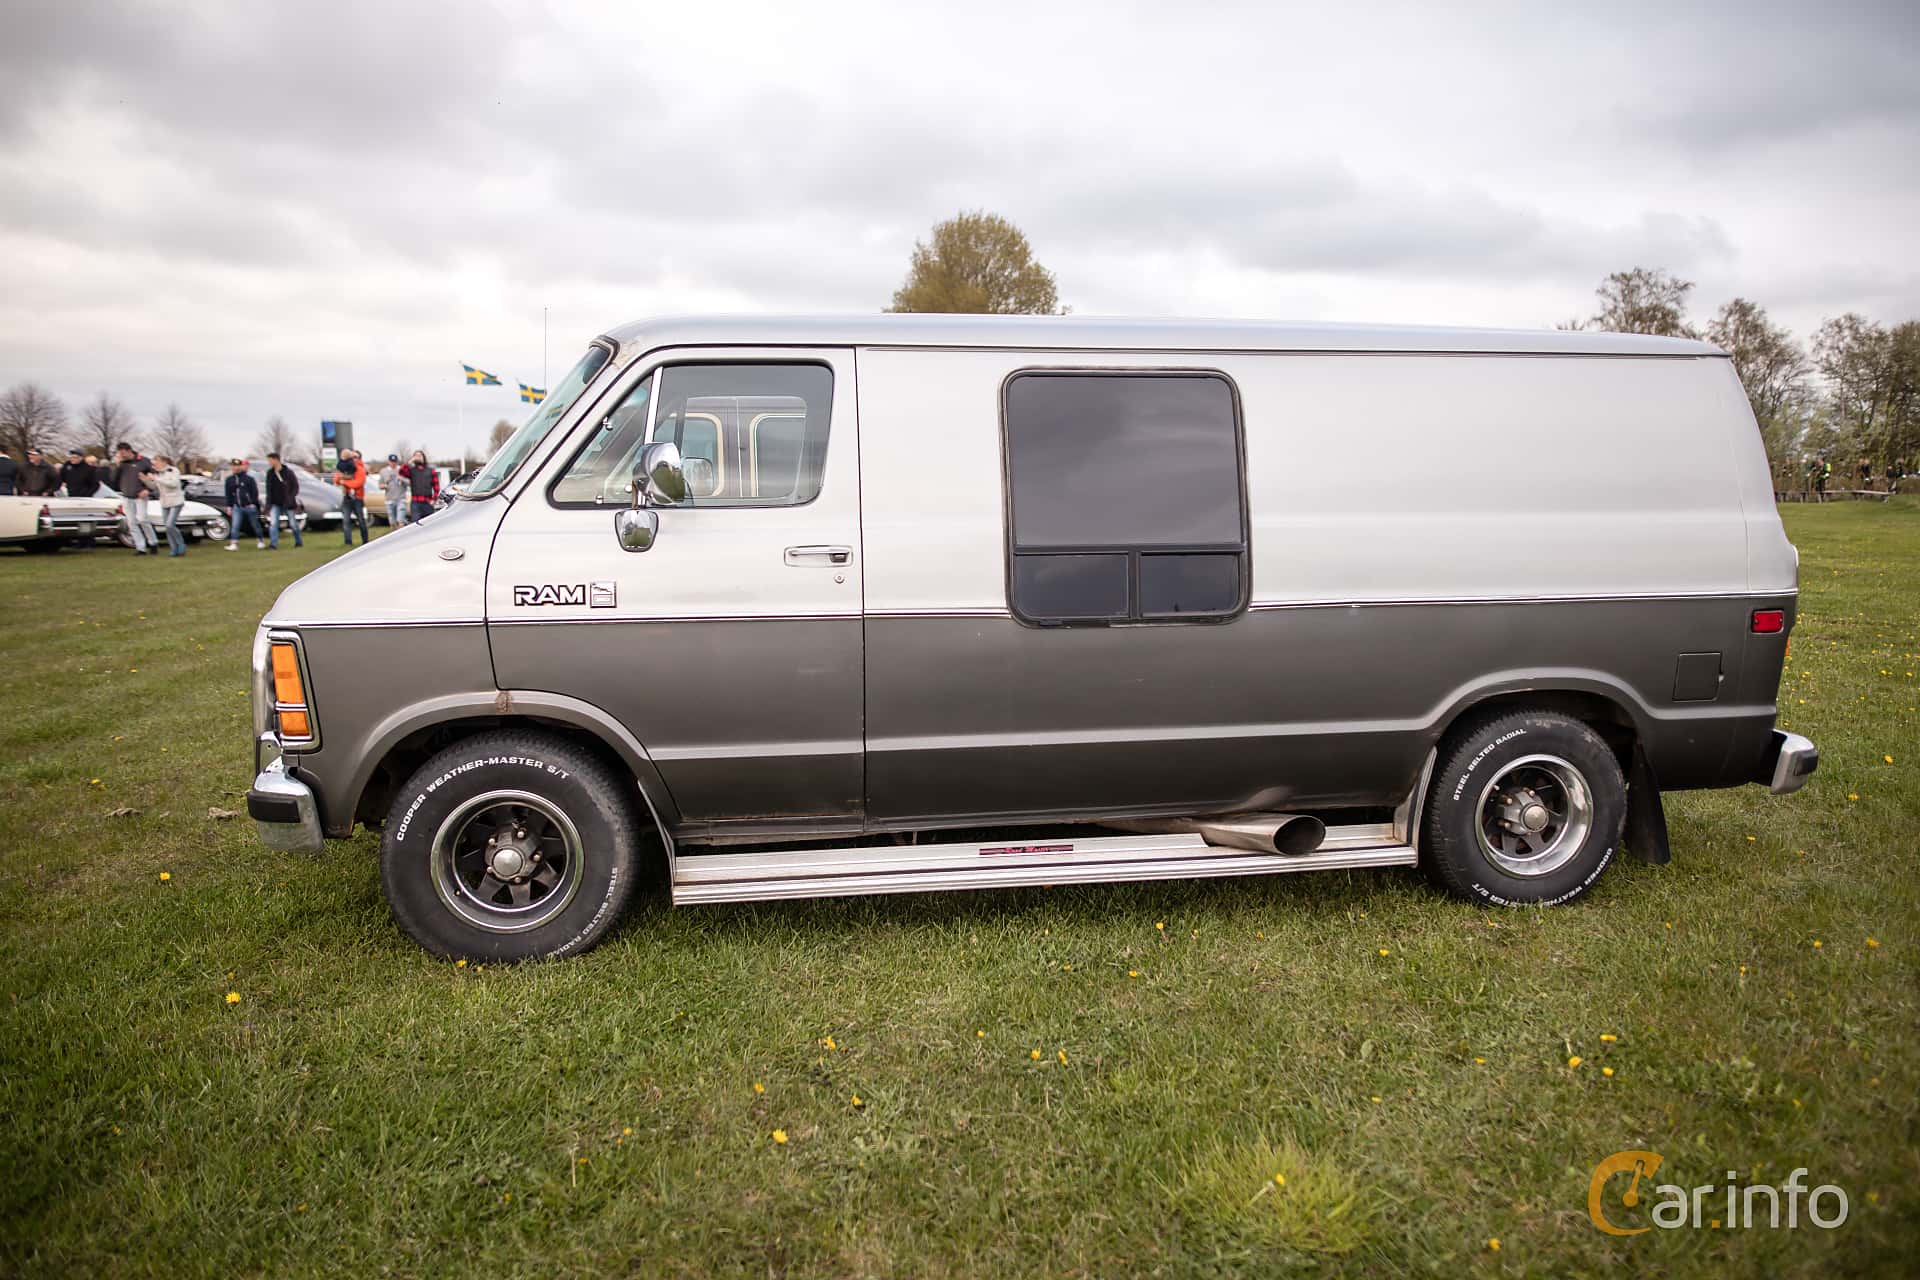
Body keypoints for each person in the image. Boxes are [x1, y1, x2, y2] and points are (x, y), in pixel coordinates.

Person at [110, 442, 157, 554]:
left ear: (129, 450)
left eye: (123, 453)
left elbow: (153, 478)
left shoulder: (143, 460)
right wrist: (116, 466)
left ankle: (153, 542)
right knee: (131, 522)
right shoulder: (121, 464)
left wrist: (148, 490)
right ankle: (140, 547)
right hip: (127, 496)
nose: (122, 456)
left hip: (140, 495)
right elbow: (113, 480)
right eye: (120, 454)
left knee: (143, 519)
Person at [148, 455, 189, 557]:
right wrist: (146, 480)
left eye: (156, 462)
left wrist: (157, 479)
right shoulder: (157, 474)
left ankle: (181, 544)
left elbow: (173, 484)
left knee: (170, 524)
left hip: (176, 501)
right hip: (164, 502)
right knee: (167, 527)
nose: (155, 464)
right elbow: (154, 487)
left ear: (164, 462)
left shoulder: (173, 470)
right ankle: (174, 549)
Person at [263, 451, 304, 549]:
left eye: (270, 460)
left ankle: (298, 541)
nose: (269, 462)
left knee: (293, 523)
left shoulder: (288, 472)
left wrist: (290, 497)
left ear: (276, 460)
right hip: (275, 502)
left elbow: (295, 486)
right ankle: (273, 544)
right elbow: (269, 489)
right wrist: (268, 504)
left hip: (288, 503)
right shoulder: (270, 473)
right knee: (273, 524)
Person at [223, 458, 265, 550]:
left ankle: (260, 541)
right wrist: (229, 506)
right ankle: (234, 543)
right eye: (234, 466)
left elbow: (254, 492)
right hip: (237, 507)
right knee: (235, 525)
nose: (236, 468)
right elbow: (228, 494)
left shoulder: (249, 479)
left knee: (255, 524)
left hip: (249, 506)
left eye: (238, 466)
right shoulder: (229, 480)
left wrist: (253, 504)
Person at [334, 448, 369, 545]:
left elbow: (358, 483)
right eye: (352, 457)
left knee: (361, 520)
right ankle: (348, 542)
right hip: (347, 497)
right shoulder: (343, 468)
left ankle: (365, 541)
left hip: (357, 498)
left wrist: (344, 481)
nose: (354, 459)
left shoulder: (360, 469)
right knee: (346, 520)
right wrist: (342, 479)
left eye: (356, 457)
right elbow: (336, 479)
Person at [400, 449, 438, 523]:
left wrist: (434, 499)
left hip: (428, 502)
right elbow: (401, 472)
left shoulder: (431, 471)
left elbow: (436, 487)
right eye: (416, 456)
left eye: (420, 456)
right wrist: (409, 462)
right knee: (415, 524)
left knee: (428, 524)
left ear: (424, 458)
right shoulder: (411, 470)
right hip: (416, 503)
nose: (418, 457)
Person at [380, 453, 408, 527]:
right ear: (388, 461)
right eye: (391, 461)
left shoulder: (402, 470)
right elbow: (380, 484)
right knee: (392, 522)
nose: (393, 463)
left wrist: (401, 478)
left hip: (400, 498)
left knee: (400, 520)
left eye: (395, 461)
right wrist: (384, 486)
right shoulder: (383, 471)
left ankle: (402, 535)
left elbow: (409, 482)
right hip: (389, 499)